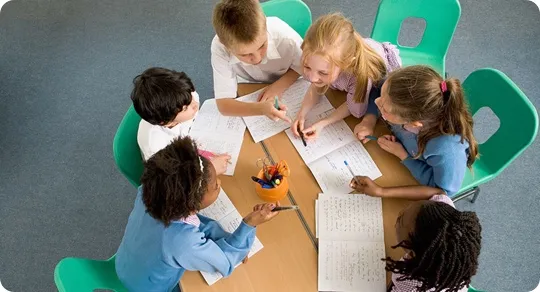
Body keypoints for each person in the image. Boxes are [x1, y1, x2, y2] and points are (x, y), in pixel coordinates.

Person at [115, 136, 279, 292]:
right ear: (192, 203)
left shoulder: (150, 191)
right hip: (149, 288)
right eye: (215, 185)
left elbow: (194, 224)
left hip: (125, 264)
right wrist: (249, 224)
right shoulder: (182, 242)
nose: (219, 183)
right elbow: (226, 262)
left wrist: (225, 238)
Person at [354, 65, 478, 197]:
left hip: (418, 175)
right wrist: (369, 119)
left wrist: (403, 156)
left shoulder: (446, 149)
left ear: (415, 123)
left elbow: (441, 192)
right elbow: (378, 87)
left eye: (384, 108)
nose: (377, 101)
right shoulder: (398, 90)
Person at [351, 177, 481, 292]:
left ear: (412, 253)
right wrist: (381, 191)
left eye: (399, 220)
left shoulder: (411, 283)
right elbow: (438, 193)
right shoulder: (446, 219)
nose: (401, 211)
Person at [292, 13, 401, 142]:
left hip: (380, 82)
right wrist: (301, 114)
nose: (312, 78)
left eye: (323, 73)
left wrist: (323, 123)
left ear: (346, 63)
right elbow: (315, 87)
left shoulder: (360, 76)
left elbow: (353, 107)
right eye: (307, 66)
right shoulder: (325, 61)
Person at [211, 0, 304, 122]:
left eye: (262, 46)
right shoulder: (219, 48)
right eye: (245, 54)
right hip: (248, 84)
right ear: (225, 45)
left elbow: (303, 66)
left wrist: (279, 86)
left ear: (265, 26)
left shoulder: (287, 38)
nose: (257, 59)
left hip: (289, 81)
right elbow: (223, 105)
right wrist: (260, 109)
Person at [131, 67, 230, 175]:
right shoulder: (157, 146)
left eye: (191, 94)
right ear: (166, 122)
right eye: (185, 108)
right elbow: (177, 179)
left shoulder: (184, 97)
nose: (195, 104)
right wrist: (211, 170)